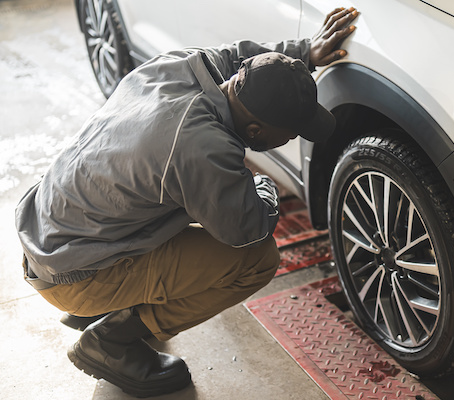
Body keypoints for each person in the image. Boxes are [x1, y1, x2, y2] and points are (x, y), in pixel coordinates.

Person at [14, 6, 359, 398]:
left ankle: (98, 305)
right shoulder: (203, 147)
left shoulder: (184, 65)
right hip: (73, 273)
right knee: (257, 260)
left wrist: (301, 53)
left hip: (49, 229)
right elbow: (246, 231)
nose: (291, 140)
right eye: (290, 134)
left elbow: (236, 54)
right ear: (256, 129)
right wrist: (264, 187)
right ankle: (112, 341)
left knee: (174, 207)